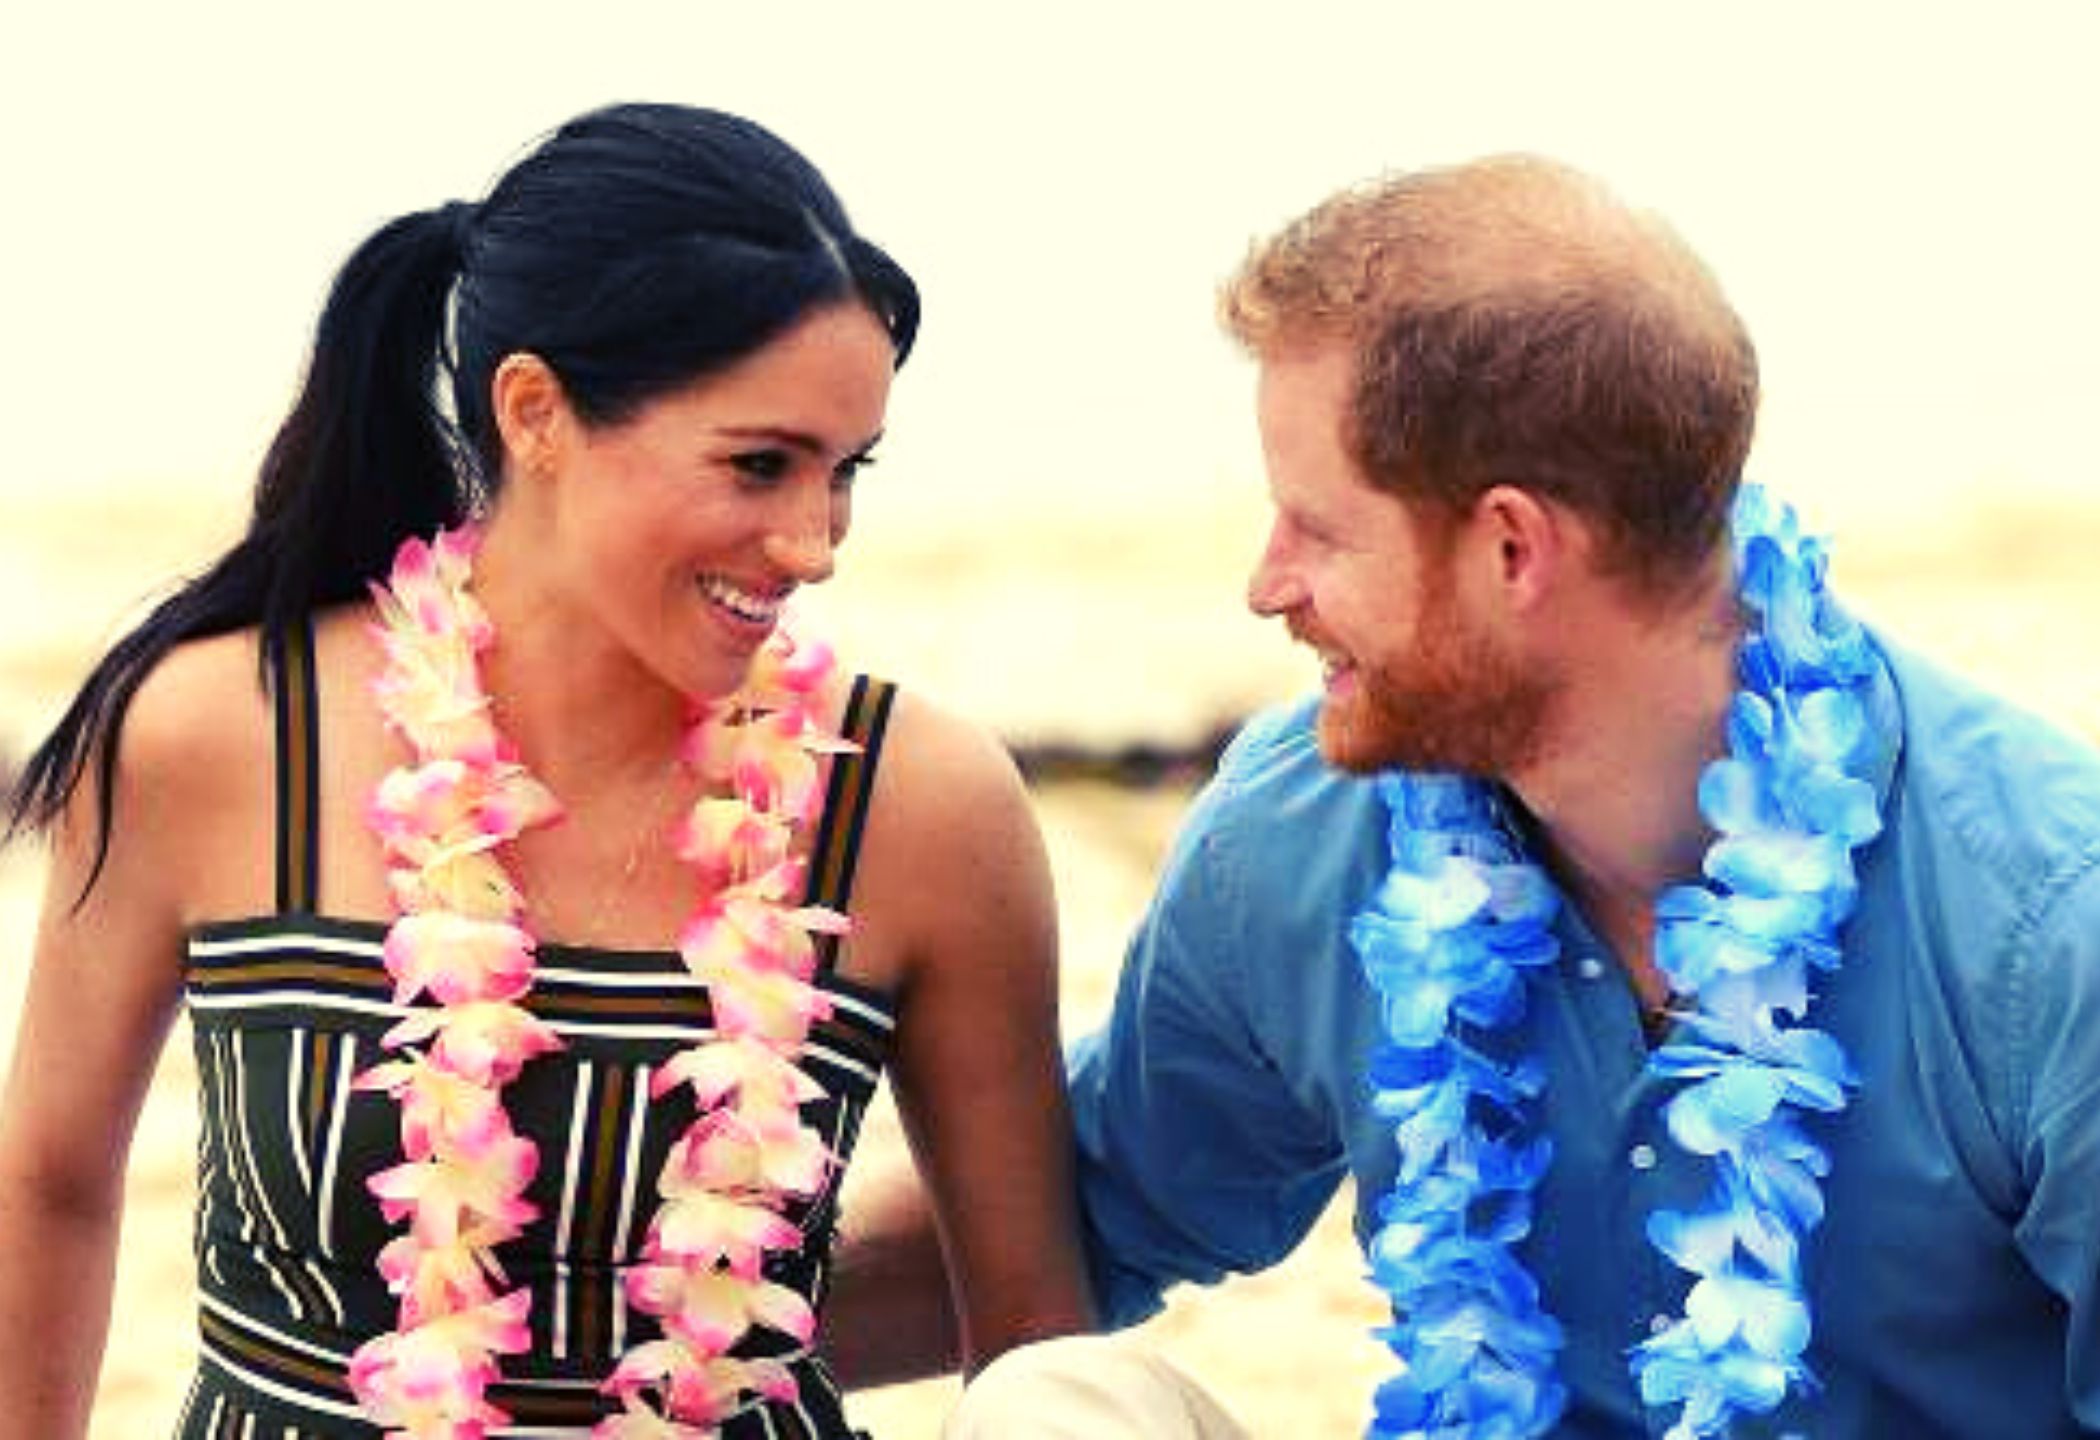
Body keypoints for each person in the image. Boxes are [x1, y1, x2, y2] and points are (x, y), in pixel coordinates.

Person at [827, 155, 2100, 1438]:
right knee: (1062, 1411)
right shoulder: (1306, 831)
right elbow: (1076, 1206)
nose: (1267, 586)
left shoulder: (2048, 925)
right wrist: (671, 1308)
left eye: (1315, 528)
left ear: (1511, 548)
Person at [0, 102, 1092, 1438]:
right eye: (759, 465)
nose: (813, 543)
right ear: (535, 413)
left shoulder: (920, 807)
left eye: (845, 472)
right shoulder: (219, 734)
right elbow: (48, 1186)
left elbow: (1036, 1339)